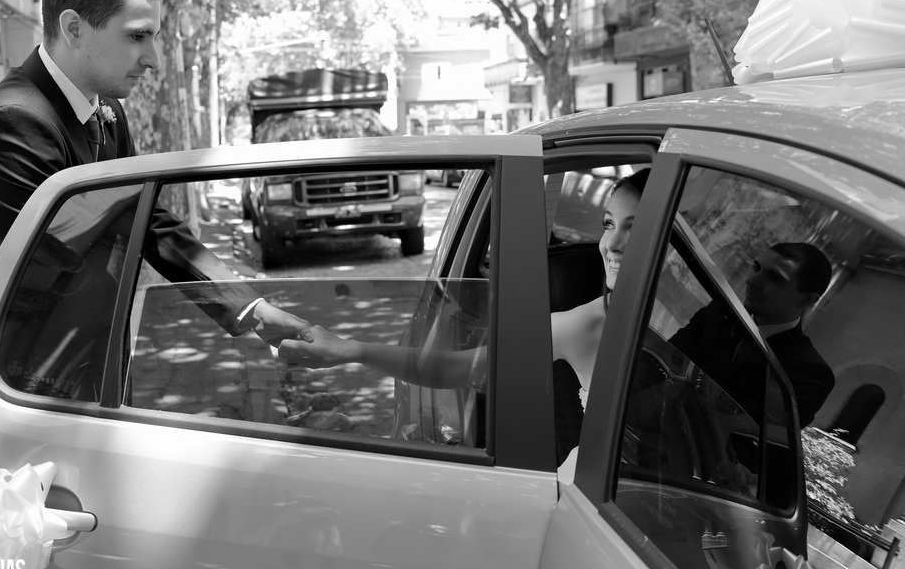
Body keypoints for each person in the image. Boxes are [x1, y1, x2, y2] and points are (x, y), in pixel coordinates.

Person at [0, 0, 309, 455]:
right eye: (138, 36)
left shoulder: (106, 109)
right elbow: (56, 265)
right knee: (21, 530)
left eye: (155, 36)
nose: (154, 58)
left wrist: (248, 307)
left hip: (68, 361)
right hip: (1, 375)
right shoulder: (11, 119)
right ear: (74, 27)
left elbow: (147, 218)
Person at [277, 169, 651, 435]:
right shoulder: (588, 324)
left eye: (634, 227)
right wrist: (352, 350)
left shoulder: (699, 319)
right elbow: (459, 369)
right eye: (607, 224)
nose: (611, 243)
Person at [669, 242, 835, 428]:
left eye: (775, 278)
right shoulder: (718, 315)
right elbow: (662, 359)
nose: (752, 281)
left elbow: (756, 438)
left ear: (807, 299)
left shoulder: (809, 372)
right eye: (756, 268)